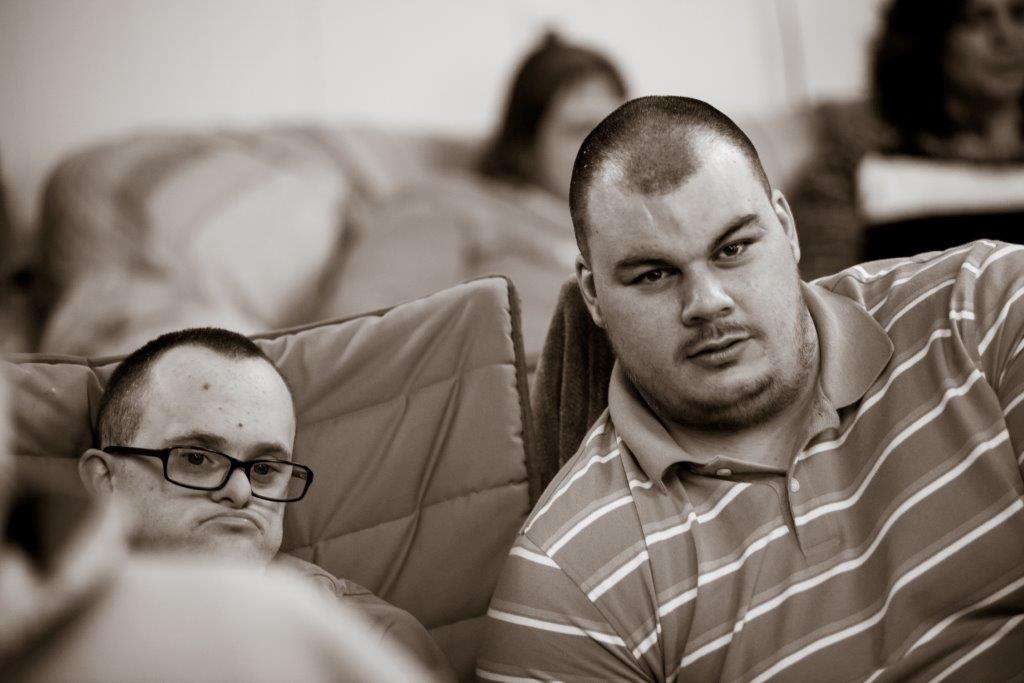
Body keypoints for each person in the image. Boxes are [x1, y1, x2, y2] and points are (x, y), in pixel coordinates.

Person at [477, 96, 1024, 681]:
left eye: (733, 249)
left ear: (786, 227)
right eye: (654, 274)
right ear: (592, 295)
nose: (707, 302)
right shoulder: (565, 576)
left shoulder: (984, 307)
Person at [0, 349, 436, 681]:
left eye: (264, 469)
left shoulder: (374, 638)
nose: (240, 491)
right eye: (196, 458)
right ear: (104, 478)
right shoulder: (30, 623)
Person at [319, 32, 626, 361]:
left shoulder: (629, 227)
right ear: (525, 143)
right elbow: (356, 339)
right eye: (580, 129)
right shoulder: (450, 204)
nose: (606, 148)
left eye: (618, 129)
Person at [790, 0, 1024, 280]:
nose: (1006, 36)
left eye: (1019, 14)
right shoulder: (859, 159)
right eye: (978, 18)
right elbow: (824, 290)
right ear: (930, 37)